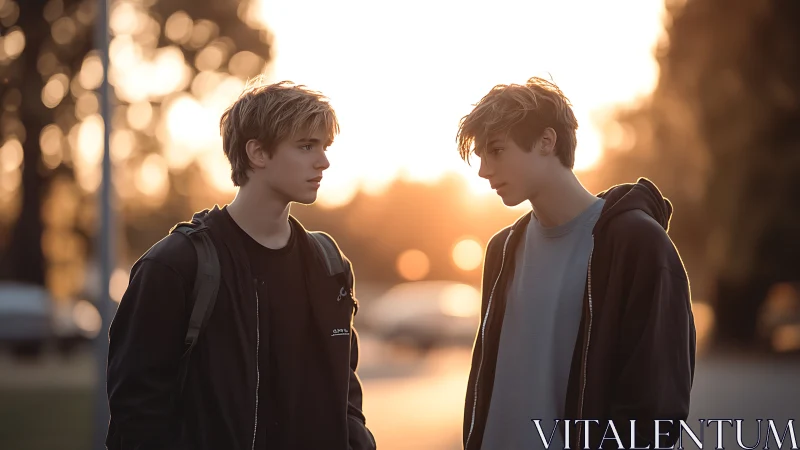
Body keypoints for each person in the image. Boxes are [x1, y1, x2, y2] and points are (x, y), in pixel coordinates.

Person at [106, 80, 376, 450]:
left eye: (324, 147)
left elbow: (344, 389)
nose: (323, 162)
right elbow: (137, 412)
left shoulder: (329, 265)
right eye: (306, 146)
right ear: (257, 153)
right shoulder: (174, 265)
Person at [456, 77, 696, 449]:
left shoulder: (637, 244)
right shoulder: (502, 250)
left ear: (546, 141)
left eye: (497, 151)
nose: (483, 170)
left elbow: (656, 407)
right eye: (480, 156)